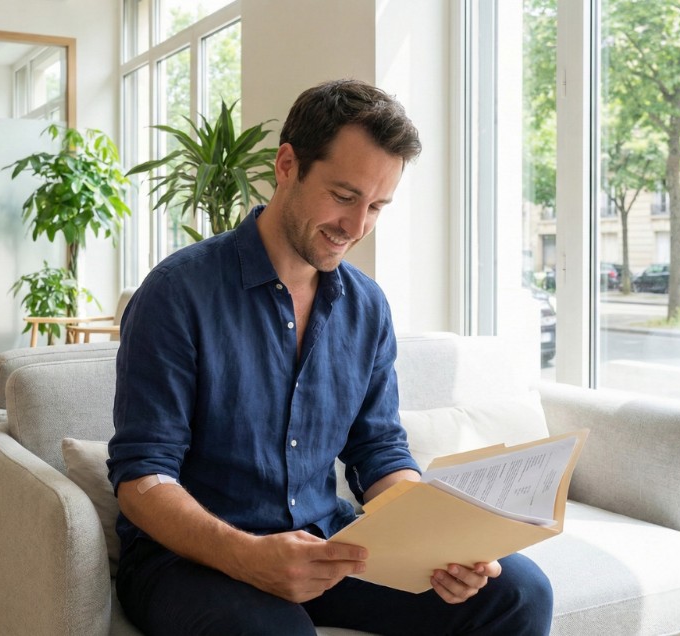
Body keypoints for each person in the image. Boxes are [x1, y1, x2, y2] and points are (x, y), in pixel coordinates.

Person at [107, 79, 553, 635]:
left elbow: (379, 450)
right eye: (344, 196)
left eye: (377, 206)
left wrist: (441, 542)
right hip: (191, 559)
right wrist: (250, 557)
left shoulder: (366, 306)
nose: (357, 227)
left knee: (519, 593)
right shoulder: (177, 293)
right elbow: (142, 476)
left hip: (326, 544)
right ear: (287, 164)